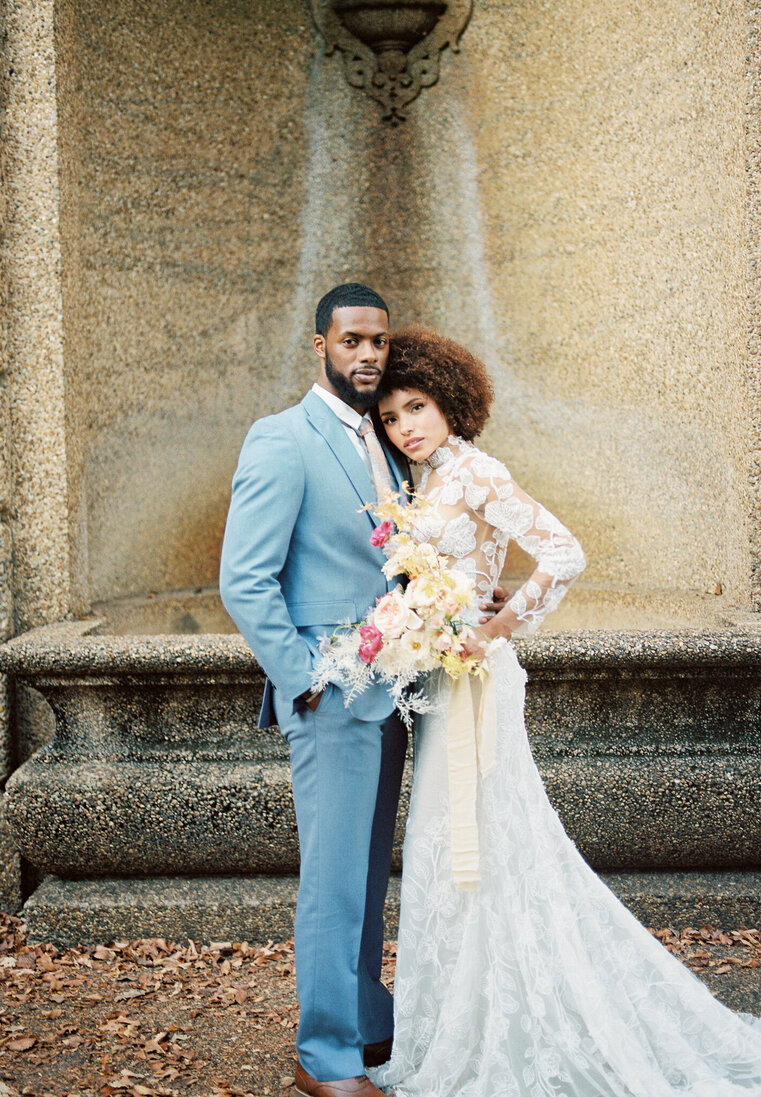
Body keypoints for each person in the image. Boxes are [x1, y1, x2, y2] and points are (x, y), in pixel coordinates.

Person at [369, 326, 761, 1097]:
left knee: (489, 837)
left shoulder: (474, 469)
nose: (408, 425)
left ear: (448, 400)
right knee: (450, 842)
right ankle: (459, 1016)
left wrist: (501, 623)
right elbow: (461, 568)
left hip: (477, 681)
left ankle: (510, 1021)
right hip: (443, 680)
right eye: (394, 415)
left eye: (419, 405)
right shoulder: (428, 479)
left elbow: (565, 551)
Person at [219, 286, 507, 1097]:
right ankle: (327, 1057)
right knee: (336, 880)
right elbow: (244, 579)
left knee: (370, 874)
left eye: (378, 341)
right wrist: (305, 675)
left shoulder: (391, 445)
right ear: (321, 347)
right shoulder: (282, 439)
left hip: (393, 691)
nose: (368, 355)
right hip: (332, 695)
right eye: (351, 341)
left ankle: (367, 1019)